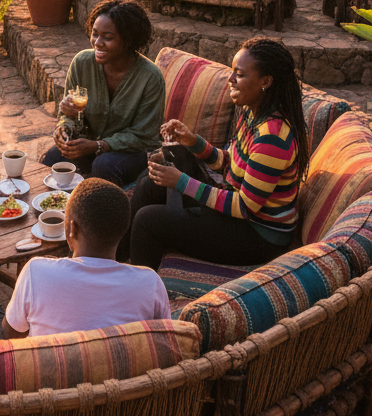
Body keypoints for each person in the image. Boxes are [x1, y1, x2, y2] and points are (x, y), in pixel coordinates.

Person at [125, 37, 308, 271]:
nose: (230, 79)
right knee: (167, 165)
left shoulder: (272, 138)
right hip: (238, 211)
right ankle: (114, 256)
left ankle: (138, 286)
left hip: (257, 235)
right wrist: (193, 142)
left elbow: (245, 207)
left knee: (147, 220)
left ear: (266, 82)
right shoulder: (253, 113)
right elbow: (230, 165)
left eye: (239, 75)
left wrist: (181, 182)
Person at [0, 179, 170, 340]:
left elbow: (11, 337)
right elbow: (164, 340)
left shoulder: (37, 271)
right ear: (122, 231)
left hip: (43, 379)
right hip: (116, 381)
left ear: (71, 228)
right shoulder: (150, 283)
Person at [41, 0, 164, 187]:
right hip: (91, 145)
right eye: (95, 34)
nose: (97, 43)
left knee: (104, 164)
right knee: (54, 158)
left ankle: (105, 204)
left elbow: (144, 135)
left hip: (134, 152)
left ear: (128, 41)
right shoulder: (82, 64)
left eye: (108, 37)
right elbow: (70, 116)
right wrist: (65, 127)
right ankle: (58, 204)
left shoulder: (150, 78)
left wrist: (100, 145)